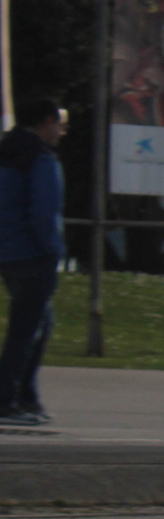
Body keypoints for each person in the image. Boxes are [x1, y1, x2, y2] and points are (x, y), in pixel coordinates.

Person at [0, 98, 68, 426]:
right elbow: (43, 212)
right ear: (45, 121)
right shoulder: (40, 159)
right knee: (26, 330)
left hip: (8, 252)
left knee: (41, 323)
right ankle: (7, 401)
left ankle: (26, 396)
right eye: (59, 123)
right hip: (32, 254)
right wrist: (52, 250)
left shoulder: (7, 151)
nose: (62, 130)